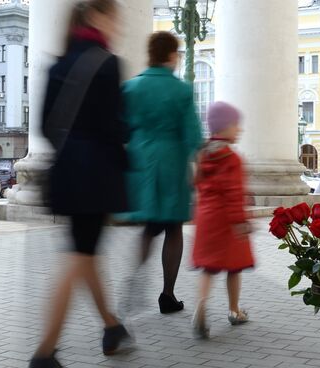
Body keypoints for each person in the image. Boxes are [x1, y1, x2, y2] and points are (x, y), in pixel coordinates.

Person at [30, 1, 130, 366]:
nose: (117, 25)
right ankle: (44, 352)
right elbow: (114, 126)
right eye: (114, 17)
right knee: (77, 257)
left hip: (67, 171)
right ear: (96, 17)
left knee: (85, 253)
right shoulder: (108, 63)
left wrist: (71, 151)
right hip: (96, 173)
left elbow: (44, 125)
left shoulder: (57, 63)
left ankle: (111, 324)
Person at [120, 31, 203, 314]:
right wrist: (198, 167)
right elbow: (193, 135)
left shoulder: (131, 88)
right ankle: (167, 294)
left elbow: (121, 128)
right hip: (172, 164)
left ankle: (134, 279)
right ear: (170, 55)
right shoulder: (181, 90)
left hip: (142, 164)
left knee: (148, 228)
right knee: (173, 228)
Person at [191, 101, 254, 339]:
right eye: (236, 125)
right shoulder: (232, 159)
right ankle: (234, 310)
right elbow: (234, 192)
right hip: (228, 222)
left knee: (208, 268)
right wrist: (240, 221)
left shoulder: (202, 154)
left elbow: (197, 184)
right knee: (234, 268)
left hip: (206, 219)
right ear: (225, 127)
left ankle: (200, 306)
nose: (239, 130)